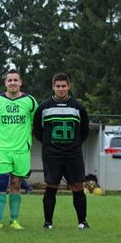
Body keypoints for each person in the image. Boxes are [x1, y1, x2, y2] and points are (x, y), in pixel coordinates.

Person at [33, 72, 90, 229]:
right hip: (52, 155)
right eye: (58, 86)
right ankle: (48, 223)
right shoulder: (44, 107)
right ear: (53, 87)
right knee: (51, 186)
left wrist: (74, 145)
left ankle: (82, 222)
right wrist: (49, 145)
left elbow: (84, 131)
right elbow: (38, 131)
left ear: (69, 86)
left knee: (78, 186)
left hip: (73, 154)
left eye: (64, 86)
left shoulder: (78, 107)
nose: (61, 89)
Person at [0, 69, 38, 230]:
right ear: (5, 83)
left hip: (21, 150)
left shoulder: (30, 101)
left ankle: (14, 220)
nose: (12, 83)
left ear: (20, 82)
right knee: (1, 183)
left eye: (15, 80)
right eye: (9, 80)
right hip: (2, 149)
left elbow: (34, 123)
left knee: (17, 184)